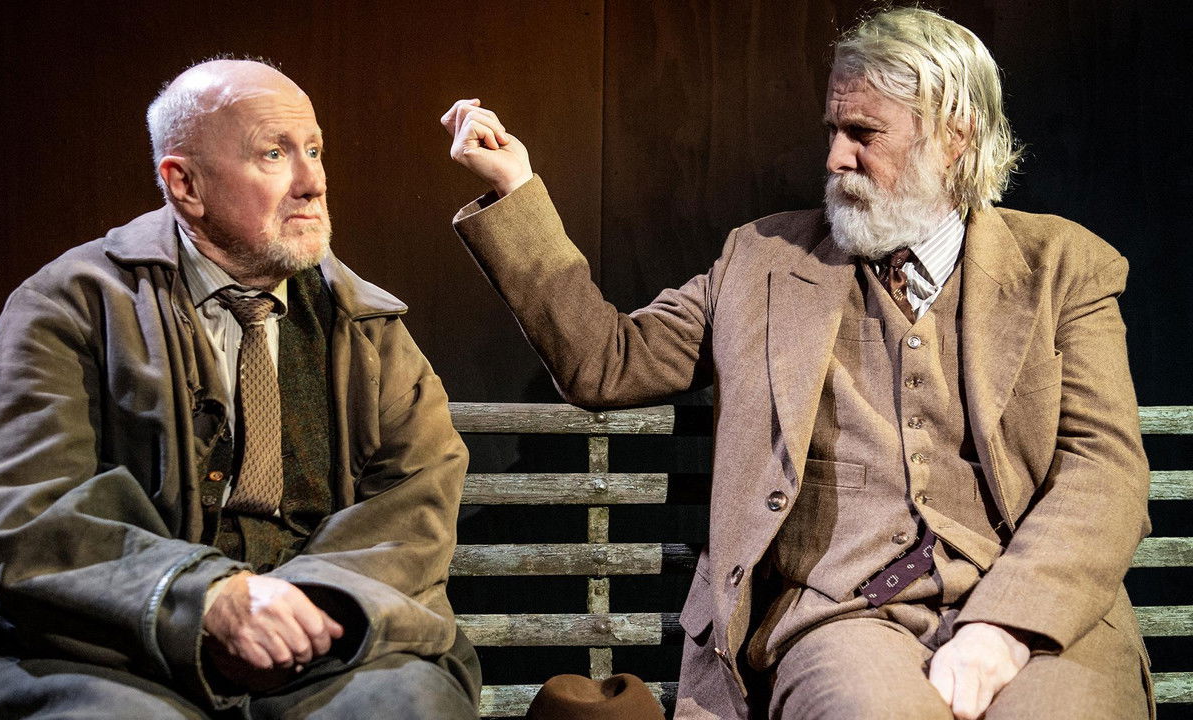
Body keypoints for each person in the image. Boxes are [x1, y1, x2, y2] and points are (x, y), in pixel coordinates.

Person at [445, 7, 1150, 720]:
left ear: (955, 135)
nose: (836, 158)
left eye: (863, 134)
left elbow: (1103, 471)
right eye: (832, 131)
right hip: (846, 616)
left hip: (1033, 610)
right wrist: (514, 190)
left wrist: (1000, 630)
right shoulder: (763, 262)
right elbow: (607, 361)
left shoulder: (1062, 267)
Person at [0, 59, 480, 719]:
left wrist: (306, 607)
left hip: (323, 643)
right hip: (116, 648)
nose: (313, 182)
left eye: (314, 150)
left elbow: (416, 495)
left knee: (407, 704)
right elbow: (34, 513)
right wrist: (208, 600)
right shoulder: (72, 305)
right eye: (274, 154)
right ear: (184, 184)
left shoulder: (366, 326)